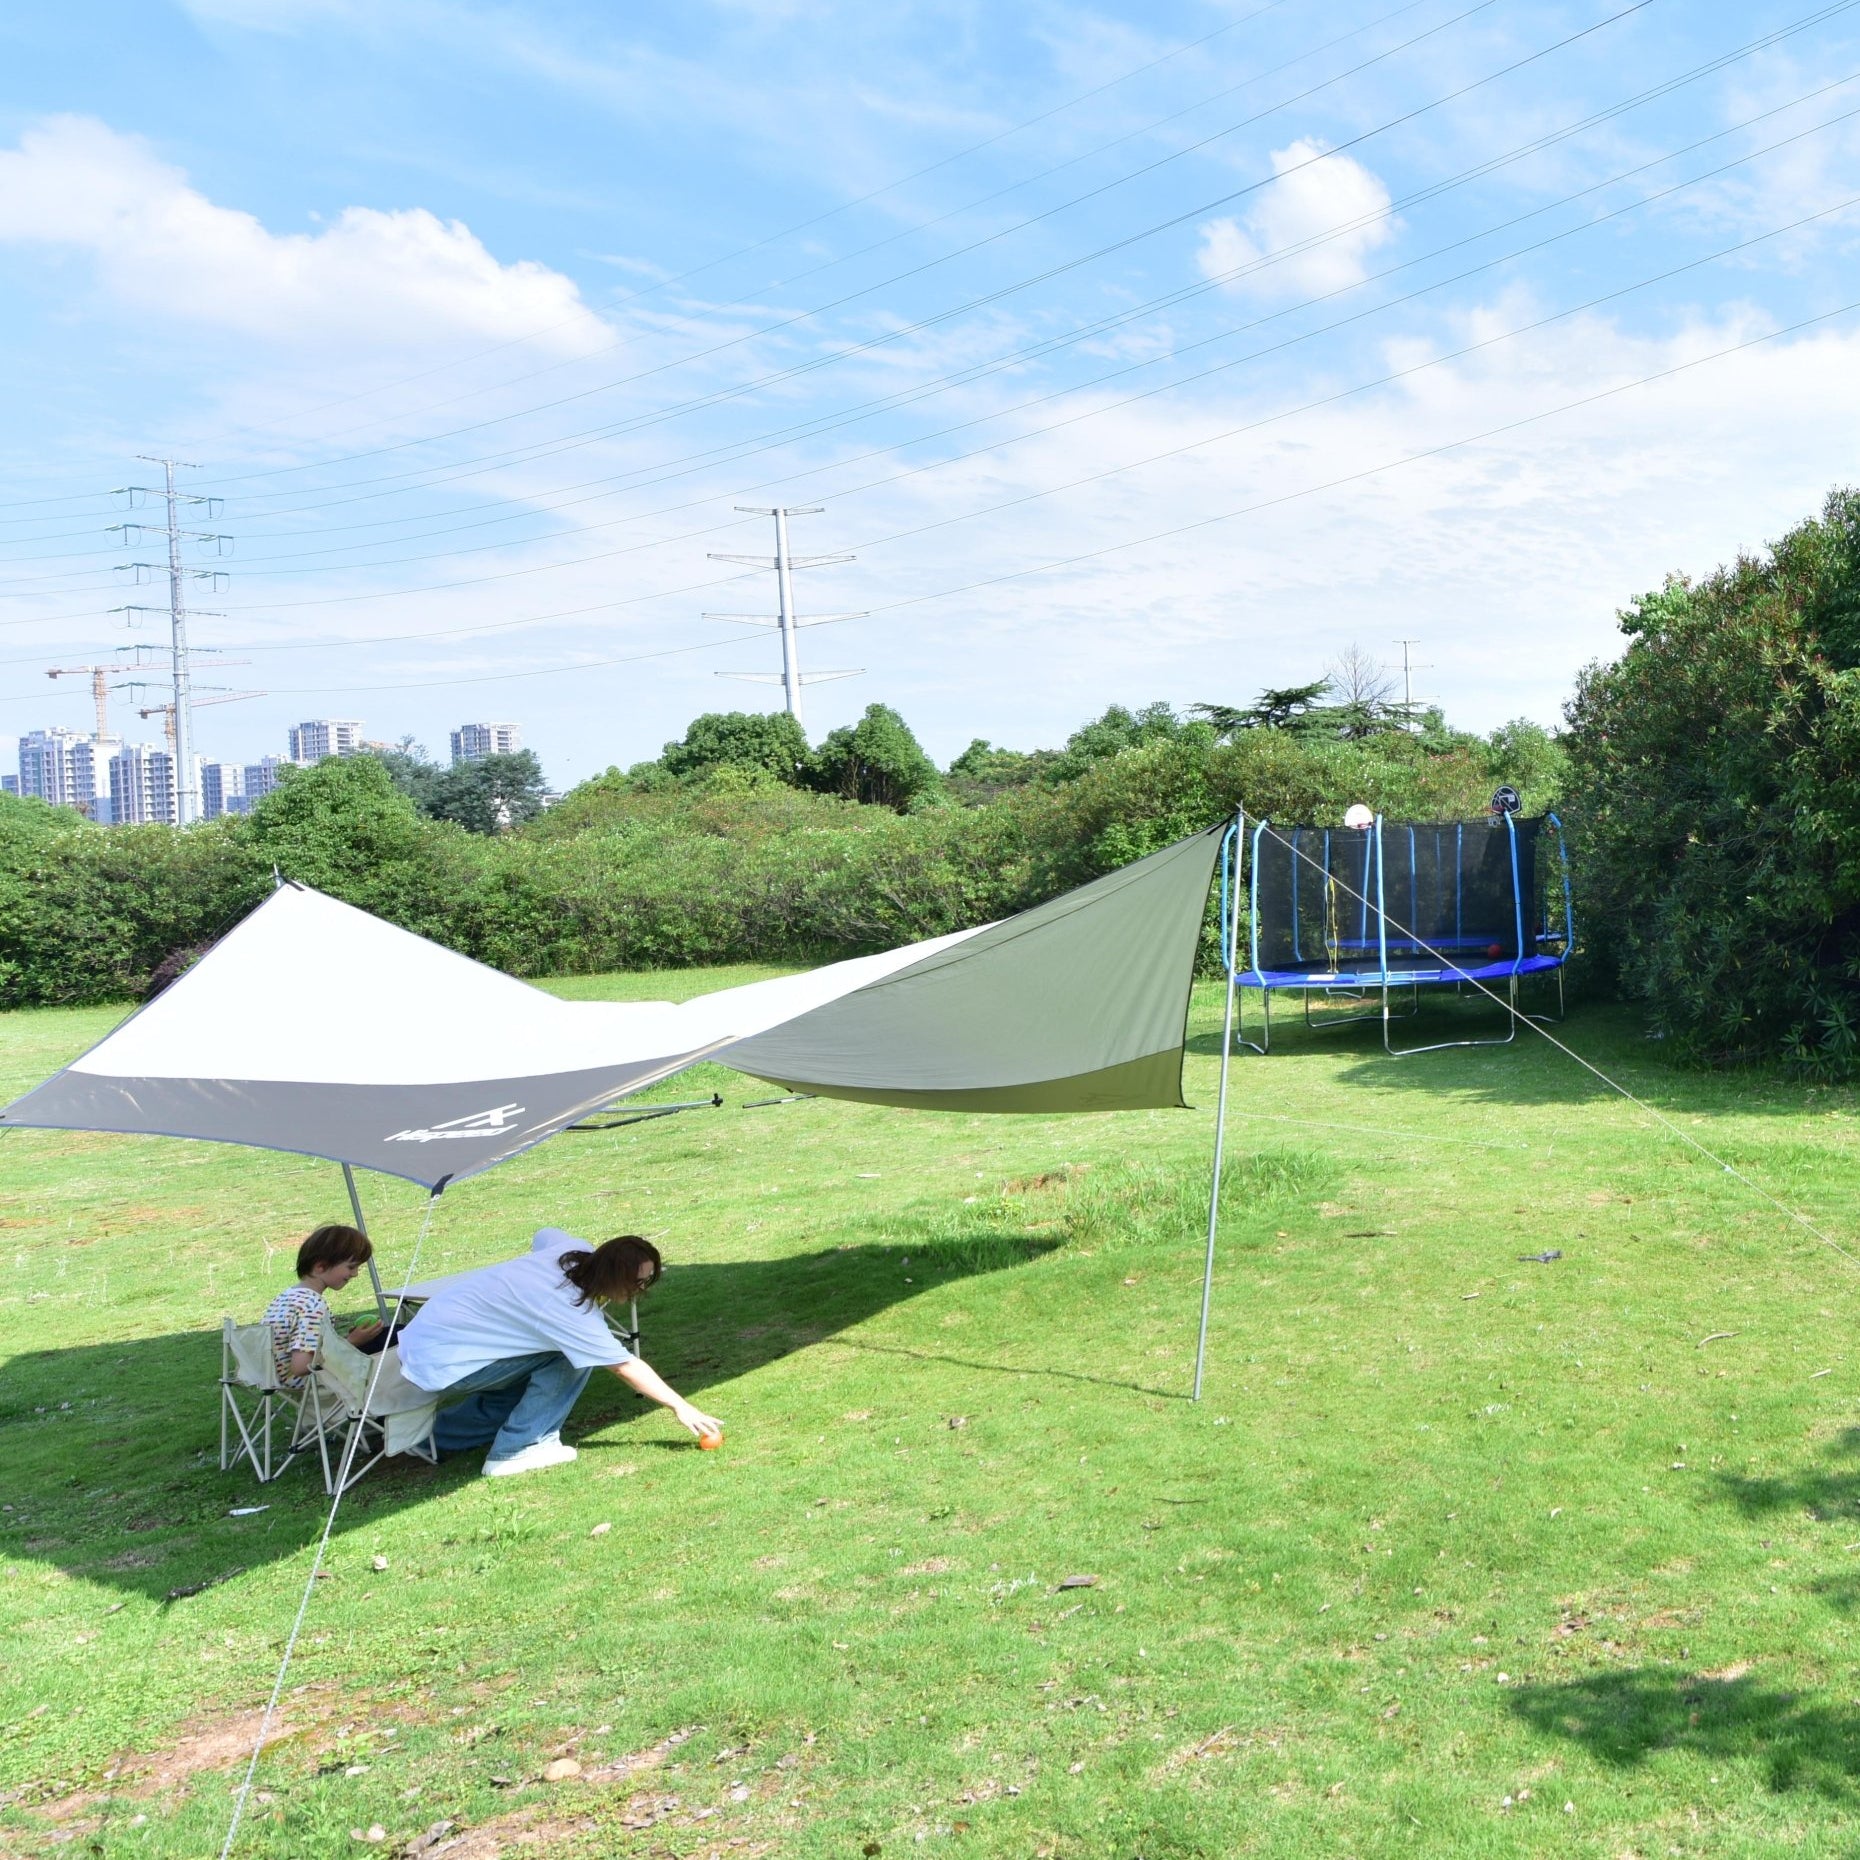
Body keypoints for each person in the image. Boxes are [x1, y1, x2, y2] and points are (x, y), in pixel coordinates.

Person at [396, 1227, 721, 1478]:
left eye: (647, 1281)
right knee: (570, 1357)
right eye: (635, 1282)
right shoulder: (567, 1310)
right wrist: (682, 1407)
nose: (640, 1290)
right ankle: (517, 1450)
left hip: (427, 1342)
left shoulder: (570, 1250)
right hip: (443, 1360)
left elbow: (544, 1232)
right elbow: (625, 1366)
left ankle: (428, 1440)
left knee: (522, 1387)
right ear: (610, 1275)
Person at [264, 1223, 386, 1389]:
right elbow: (301, 1367)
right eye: (351, 1267)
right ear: (320, 1266)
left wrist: (338, 1341)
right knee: (391, 1338)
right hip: (311, 1384)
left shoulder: (288, 1296)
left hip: (277, 1379)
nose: (355, 1274)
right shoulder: (312, 1307)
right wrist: (351, 1342)